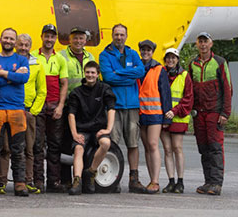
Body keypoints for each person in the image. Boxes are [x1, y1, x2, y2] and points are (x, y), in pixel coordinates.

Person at [99, 23, 147, 193]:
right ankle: (114, 179)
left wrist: (118, 73)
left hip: (132, 106)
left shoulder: (133, 54)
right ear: (112, 35)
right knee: (113, 142)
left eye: (122, 35)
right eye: (116, 34)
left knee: (133, 144)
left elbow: (140, 72)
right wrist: (128, 74)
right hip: (114, 106)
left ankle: (134, 180)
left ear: (126, 36)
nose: (119, 37)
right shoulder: (104, 55)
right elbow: (107, 76)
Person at [0, 28, 30, 196]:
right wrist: (12, 76)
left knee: (18, 149)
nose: (8, 41)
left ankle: (20, 183)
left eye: (11, 39)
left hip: (17, 109)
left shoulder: (22, 59)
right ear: (0, 39)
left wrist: (2, 73)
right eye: (6, 38)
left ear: (15, 42)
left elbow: (23, 78)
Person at [190, 32, 232, 196]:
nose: (203, 44)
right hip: (199, 114)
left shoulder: (220, 62)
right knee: (204, 148)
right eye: (200, 41)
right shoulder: (192, 63)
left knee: (215, 148)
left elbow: (227, 89)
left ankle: (216, 183)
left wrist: (225, 113)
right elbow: (190, 89)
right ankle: (208, 181)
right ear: (197, 44)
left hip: (215, 112)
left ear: (211, 43)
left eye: (205, 41)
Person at [65, 60, 116, 195]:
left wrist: (108, 129)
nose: (90, 75)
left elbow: (111, 109)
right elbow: (71, 114)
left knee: (105, 143)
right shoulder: (76, 93)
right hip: (82, 129)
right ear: (84, 73)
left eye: (93, 73)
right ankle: (77, 180)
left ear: (98, 74)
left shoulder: (105, 89)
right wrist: (75, 134)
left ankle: (91, 172)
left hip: (99, 128)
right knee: (78, 148)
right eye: (87, 72)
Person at [34, 24, 68, 193]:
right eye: (46, 36)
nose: (49, 39)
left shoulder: (60, 59)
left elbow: (64, 84)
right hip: (38, 105)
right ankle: (38, 181)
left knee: (55, 145)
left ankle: (54, 181)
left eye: (52, 36)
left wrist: (61, 106)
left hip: (54, 105)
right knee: (37, 145)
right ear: (42, 37)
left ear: (55, 39)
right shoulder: (33, 56)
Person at [137, 39, 170, 194]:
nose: (145, 52)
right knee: (146, 147)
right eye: (143, 50)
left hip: (155, 114)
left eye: (148, 50)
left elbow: (165, 93)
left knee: (153, 145)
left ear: (153, 52)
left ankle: (155, 181)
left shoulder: (159, 69)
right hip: (141, 113)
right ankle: (151, 180)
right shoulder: (137, 68)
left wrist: (167, 117)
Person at [159, 47, 193, 194]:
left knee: (177, 148)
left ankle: (180, 181)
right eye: (168, 58)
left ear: (177, 59)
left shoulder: (185, 75)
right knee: (167, 149)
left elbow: (188, 98)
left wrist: (175, 111)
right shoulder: (161, 74)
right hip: (163, 117)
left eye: (173, 58)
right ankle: (171, 180)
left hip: (178, 117)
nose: (170, 60)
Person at [19, 34, 46, 194]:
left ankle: (28, 180)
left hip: (29, 111)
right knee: (9, 148)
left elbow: (42, 91)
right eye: (20, 45)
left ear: (30, 47)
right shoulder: (11, 61)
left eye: (26, 45)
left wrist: (33, 112)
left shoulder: (37, 63)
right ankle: (7, 181)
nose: (23, 48)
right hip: (13, 109)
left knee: (29, 149)